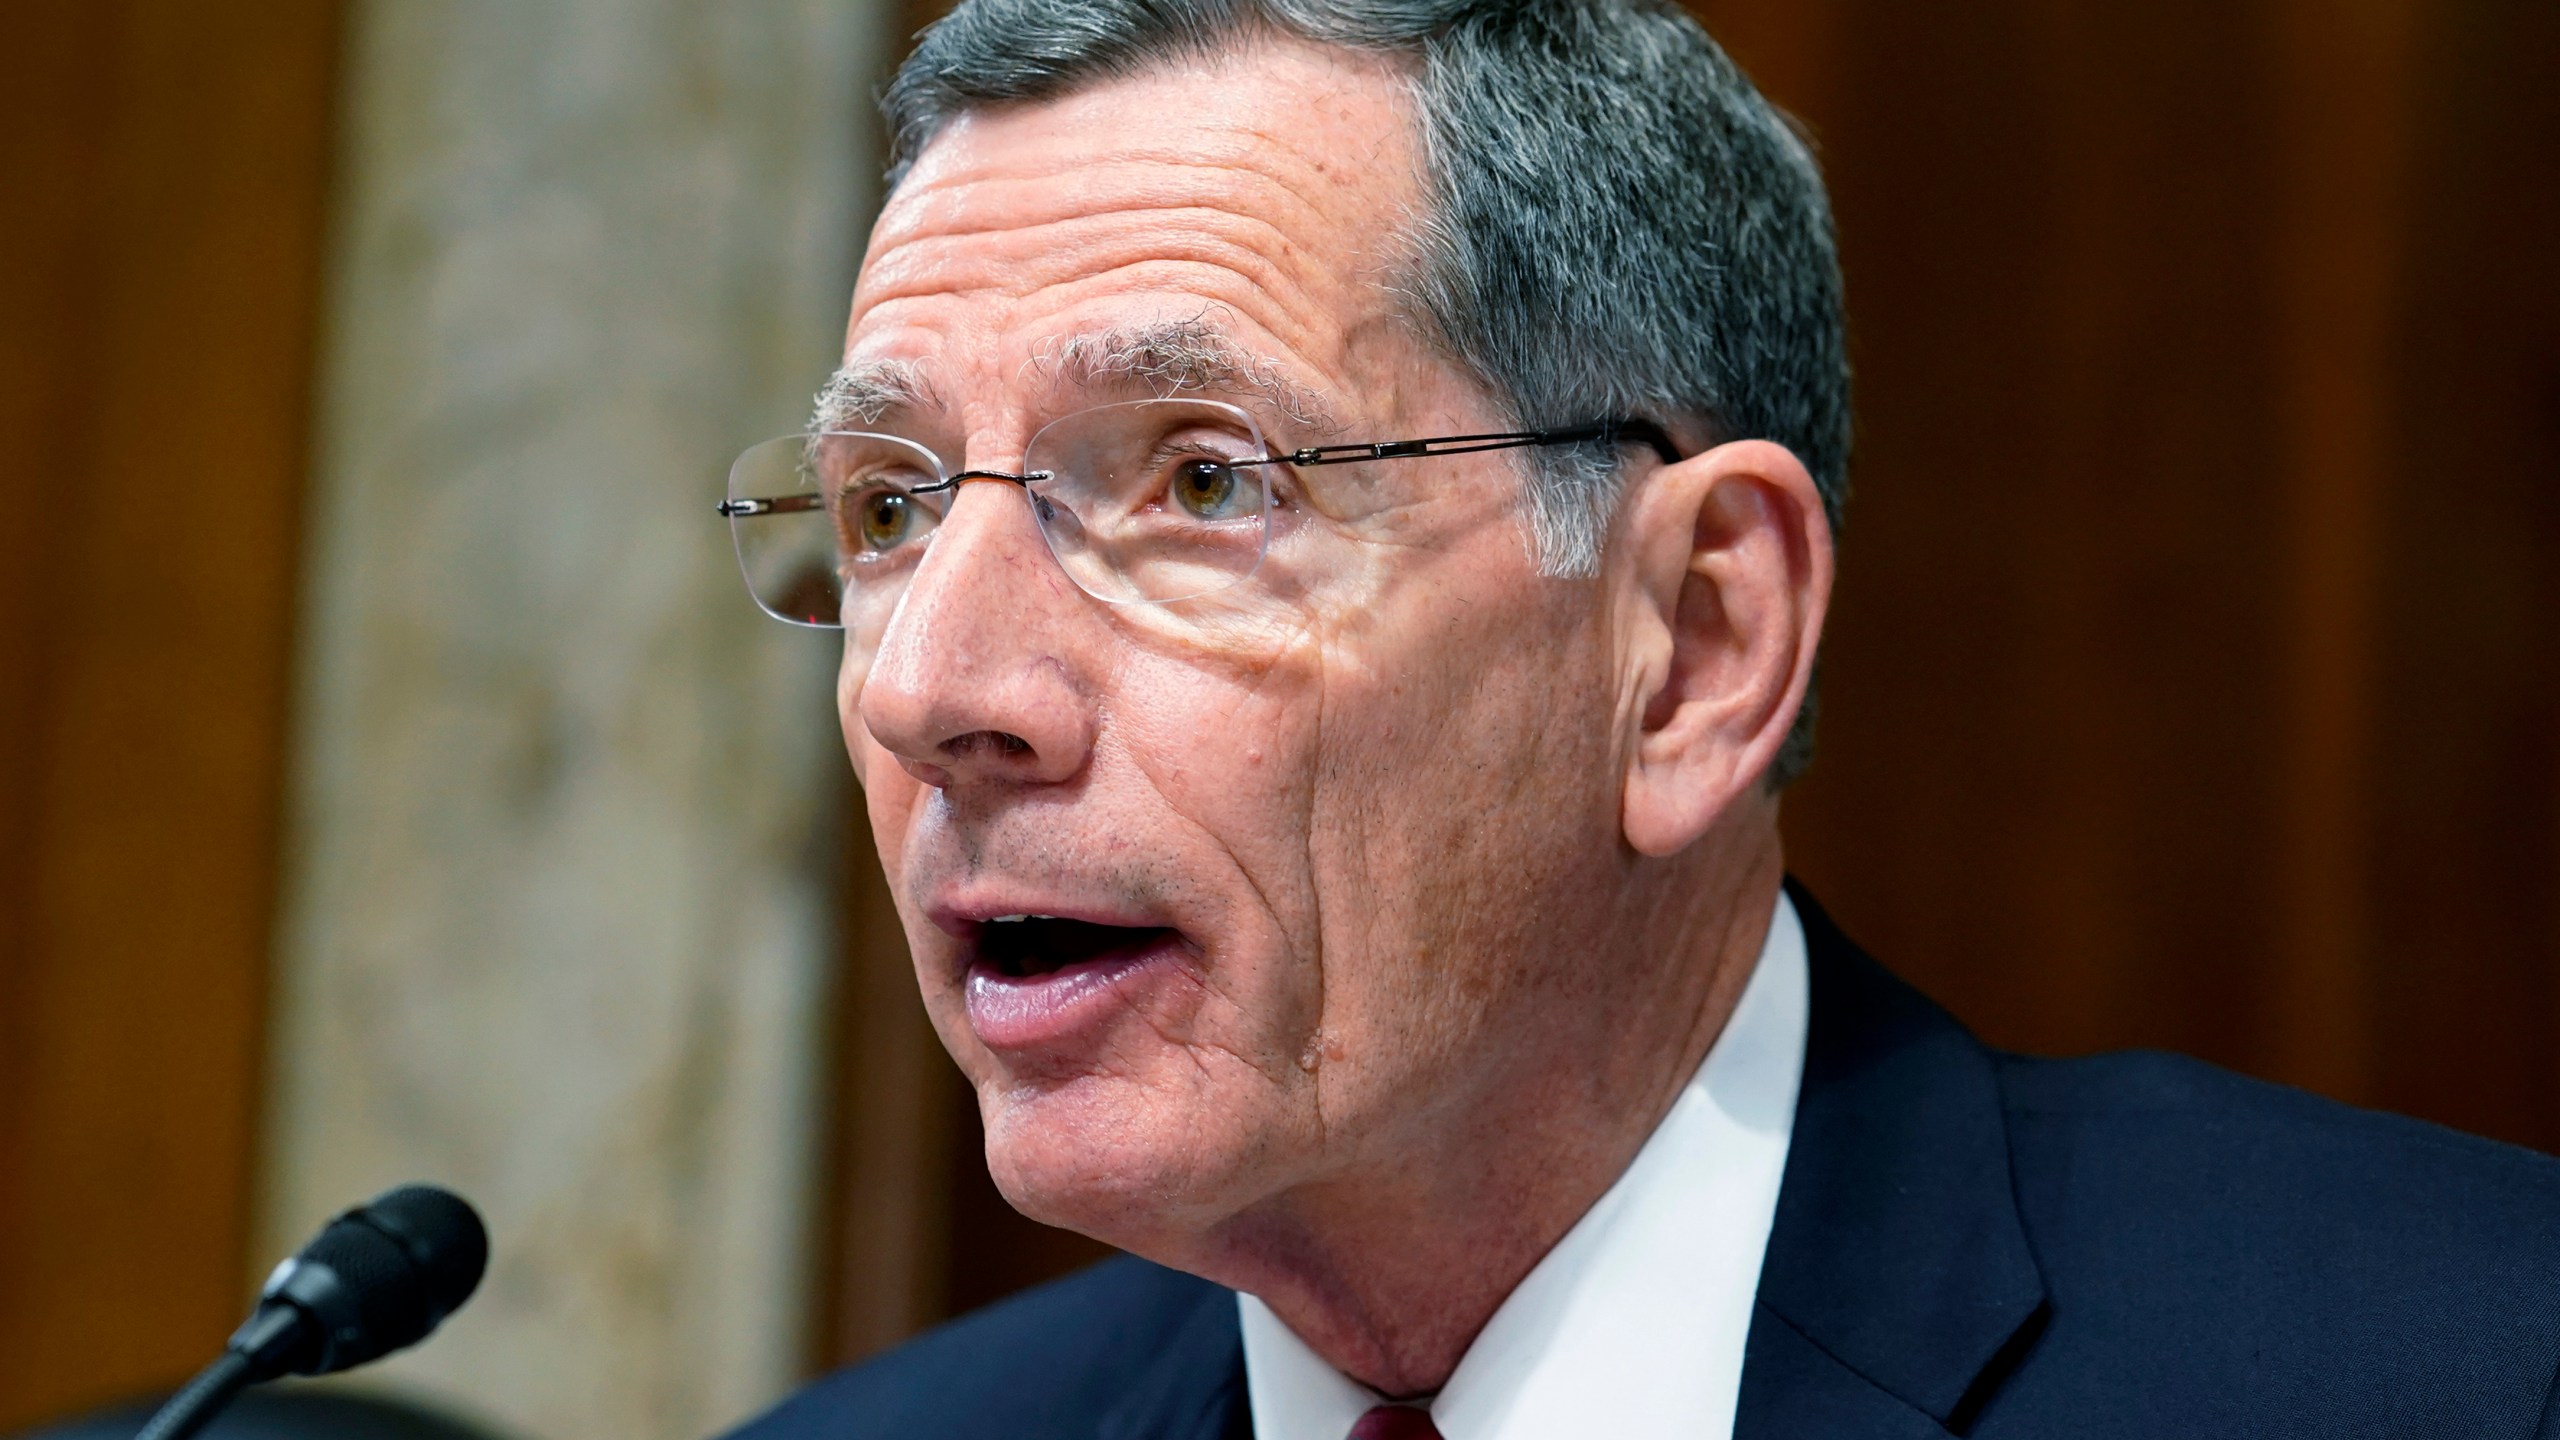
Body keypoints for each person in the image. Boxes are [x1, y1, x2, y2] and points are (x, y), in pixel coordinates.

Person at [715, 1, 2560, 1435]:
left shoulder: (2466, 1372)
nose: (926, 689)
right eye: (886, 505)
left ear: (1691, 645)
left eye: (1202, 486)